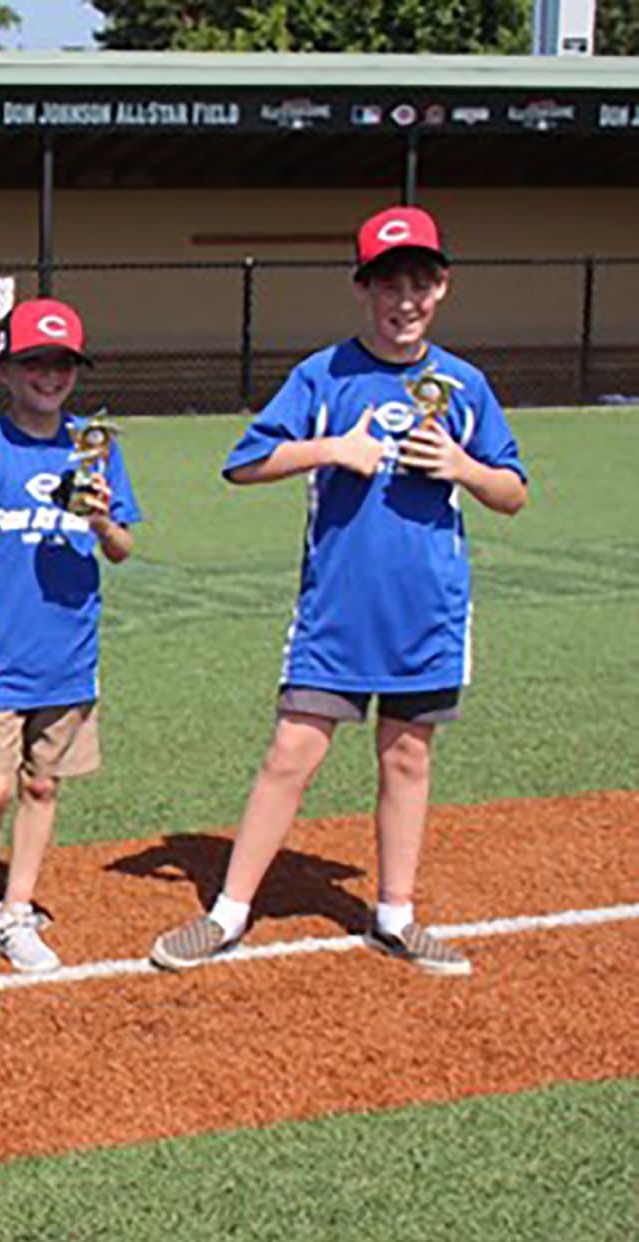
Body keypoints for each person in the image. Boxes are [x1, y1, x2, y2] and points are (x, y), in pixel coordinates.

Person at [148, 205, 528, 976]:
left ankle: (395, 914)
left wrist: (462, 466)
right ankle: (226, 914)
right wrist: (331, 449)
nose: (404, 301)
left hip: (429, 612)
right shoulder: (322, 374)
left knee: (408, 758)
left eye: (419, 282)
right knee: (291, 752)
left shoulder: (464, 384)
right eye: (388, 284)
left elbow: (513, 490)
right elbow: (244, 462)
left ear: (442, 287)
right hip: (335, 611)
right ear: (363, 290)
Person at [0, 301, 138, 984]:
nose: (48, 376)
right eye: (33, 362)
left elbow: (123, 549)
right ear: (5, 369)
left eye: (61, 364)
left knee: (43, 786)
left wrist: (105, 518)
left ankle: (15, 910)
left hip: (68, 655)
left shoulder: (94, 447)